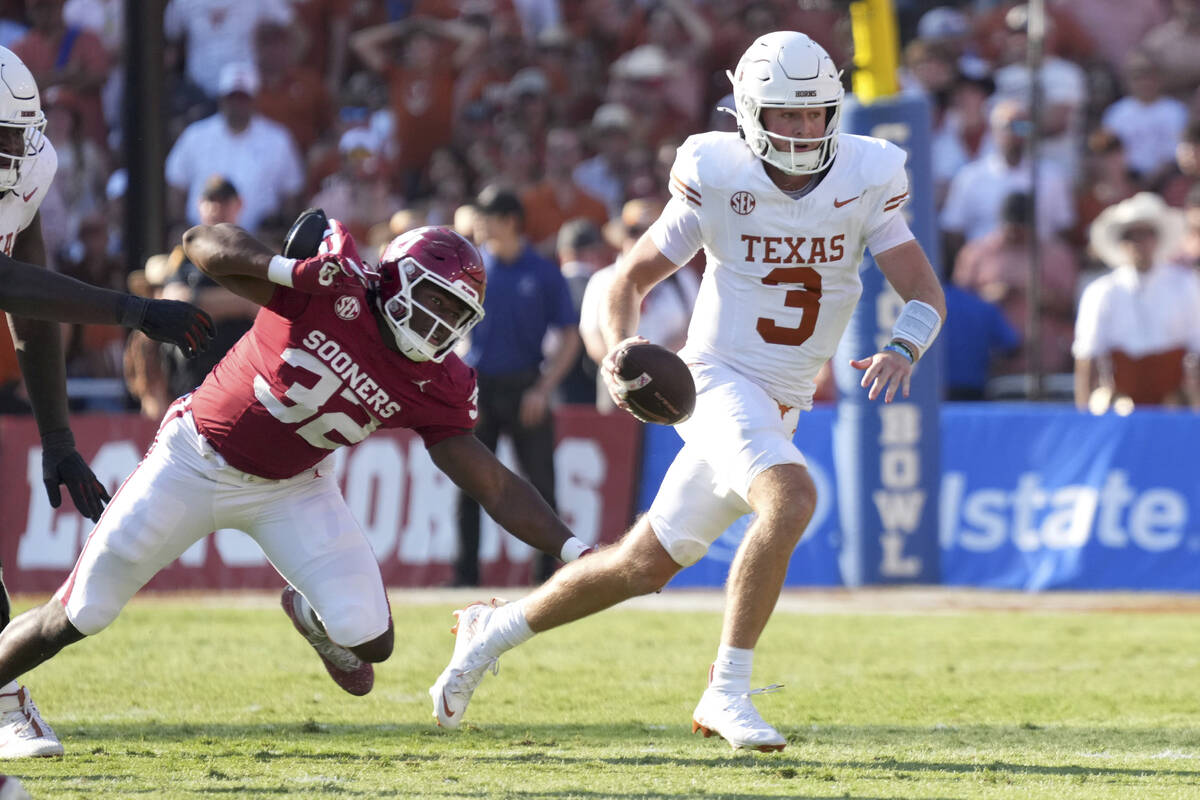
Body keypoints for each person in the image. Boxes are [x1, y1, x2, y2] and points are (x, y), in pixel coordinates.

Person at [429, 31, 946, 751]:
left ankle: (490, 630)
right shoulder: (719, 173)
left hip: (781, 401)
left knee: (640, 566)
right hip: (716, 380)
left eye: (813, 113)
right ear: (749, 112)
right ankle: (726, 691)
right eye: (786, 115)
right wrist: (616, 350)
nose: (802, 130)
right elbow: (629, 280)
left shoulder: (867, 174)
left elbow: (923, 291)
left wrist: (902, 345)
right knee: (791, 497)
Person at [0, 215, 595, 754]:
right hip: (194, 458)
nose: (438, 321)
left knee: (372, 643)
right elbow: (200, 243)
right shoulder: (330, 290)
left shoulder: (436, 379)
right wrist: (288, 269)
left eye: (455, 313)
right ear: (395, 280)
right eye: (434, 298)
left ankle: (309, 615)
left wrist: (575, 552)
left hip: (293, 486)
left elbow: (491, 482)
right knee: (76, 616)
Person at [0, 45, 213, 759]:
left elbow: (31, 308)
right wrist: (133, 310)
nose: (12, 151)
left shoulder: (28, 169)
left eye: (15, 134)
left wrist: (58, 437)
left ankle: (0, 703)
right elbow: (7, 285)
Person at [454, 186, 581, 587]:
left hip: (526, 385)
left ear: (509, 221)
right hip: (480, 386)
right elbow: (454, 329)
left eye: (486, 217)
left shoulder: (543, 272)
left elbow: (569, 335)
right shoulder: (474, 269)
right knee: (469, 484)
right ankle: (466, 576)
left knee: (541, 486)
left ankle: (549, 577)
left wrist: (543, 389)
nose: (479, 225)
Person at [1074, 192, 1200, 411]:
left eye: (1145, 235)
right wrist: (1083, 418)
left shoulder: (1185, 285)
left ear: (1157, 239)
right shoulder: (1102, 291)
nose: (1139, 243)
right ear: (1121, 242)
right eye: (1131, 236)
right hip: (1120, 404)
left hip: (1174, 403)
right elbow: (1087, 357)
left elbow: (1196, 348)